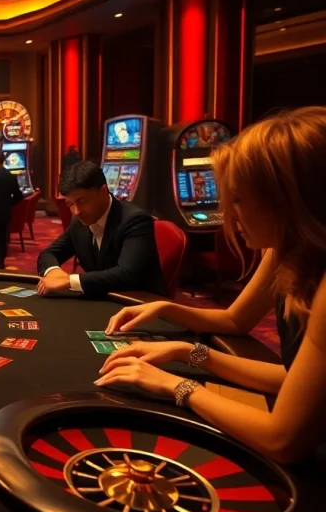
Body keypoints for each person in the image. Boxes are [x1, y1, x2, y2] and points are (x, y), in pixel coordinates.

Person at [96, 106, 326, 464]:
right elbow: (290, 375)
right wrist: (187, 350)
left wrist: (178, 385)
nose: (228, 214)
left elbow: (282, 439)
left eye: (238, 199)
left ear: (288, 203)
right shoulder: (286, 250)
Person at [36, 161, 165, 297]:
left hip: (141, 302)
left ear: (103, 191)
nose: (76, 211)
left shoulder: (135, 221)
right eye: (70, 204)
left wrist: (69, 281)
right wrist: (54, 272)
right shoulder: (78, 221)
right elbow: (48, 255)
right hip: (104, 299)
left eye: (82, 202)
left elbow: (126, 275)